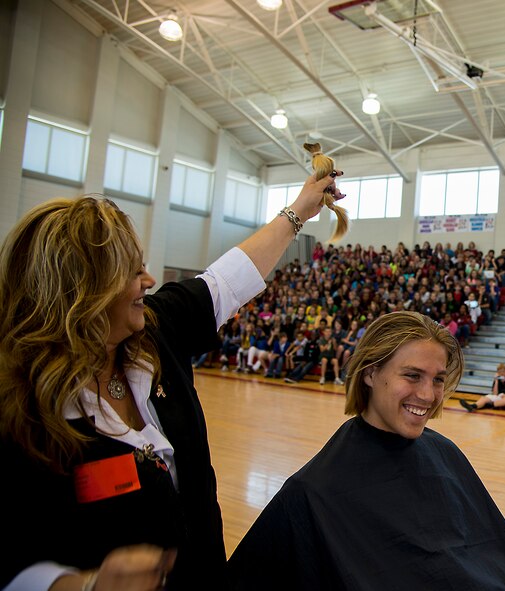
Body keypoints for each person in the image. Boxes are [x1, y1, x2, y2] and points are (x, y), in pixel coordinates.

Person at [0, 173, 339, 590]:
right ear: (81, 292)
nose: (148, 279)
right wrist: (80, 585)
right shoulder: (22, 412)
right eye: (132, 270)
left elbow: (228, 279)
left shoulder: (157, 329)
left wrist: (302, 207)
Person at [227, 311, 505, 590]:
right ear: (370, 372)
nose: (428, 394)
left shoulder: (445, 453)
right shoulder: (310, 492)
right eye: (412, 376)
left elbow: (495, 558)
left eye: (438, 379)